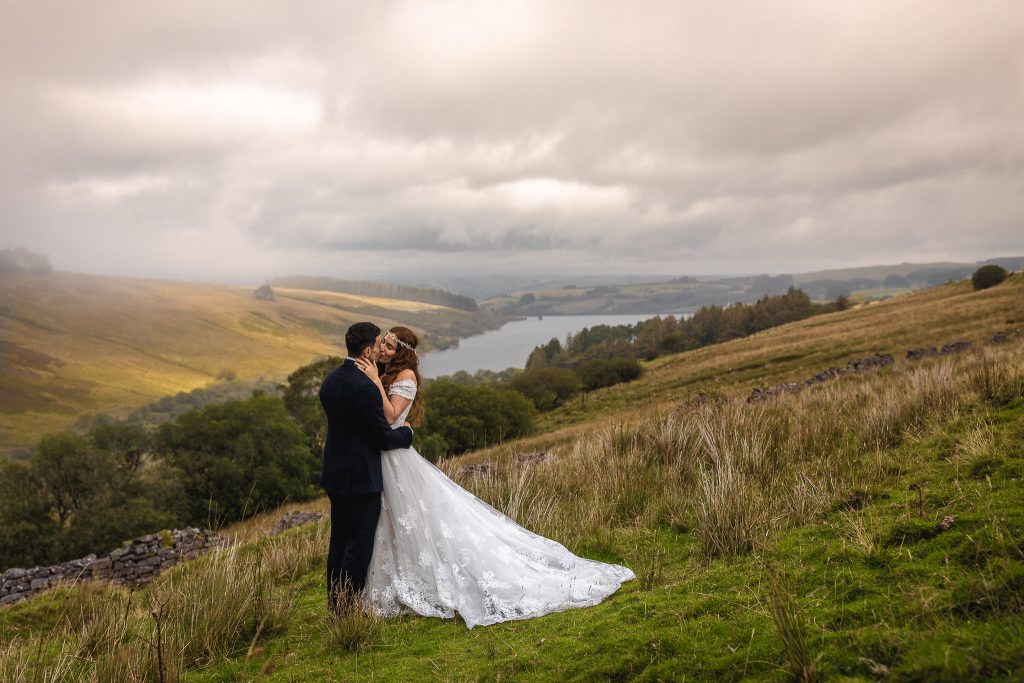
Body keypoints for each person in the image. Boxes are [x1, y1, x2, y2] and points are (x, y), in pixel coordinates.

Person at [354, 326, 634, 629]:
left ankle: (423, 581)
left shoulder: (404, 376)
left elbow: (392, 416)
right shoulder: (385, 373)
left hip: (397, 458)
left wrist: (374, 383)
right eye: (384, 342)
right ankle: (393, 579)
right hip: (385, 455)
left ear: (403, 354)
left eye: (391, 346)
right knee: (394, 518)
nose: (383, 348)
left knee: (409, 516)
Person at [319, 322, 414, 613]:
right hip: (362, 477)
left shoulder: (331, 381)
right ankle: (347, 610)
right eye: (377, 343)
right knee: (358, 548)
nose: (380, 348)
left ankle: (335, 604)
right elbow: (384, 438)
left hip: (335, 472)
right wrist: (407, 434)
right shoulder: (365, 387)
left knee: (338, 544)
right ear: (366, 350)